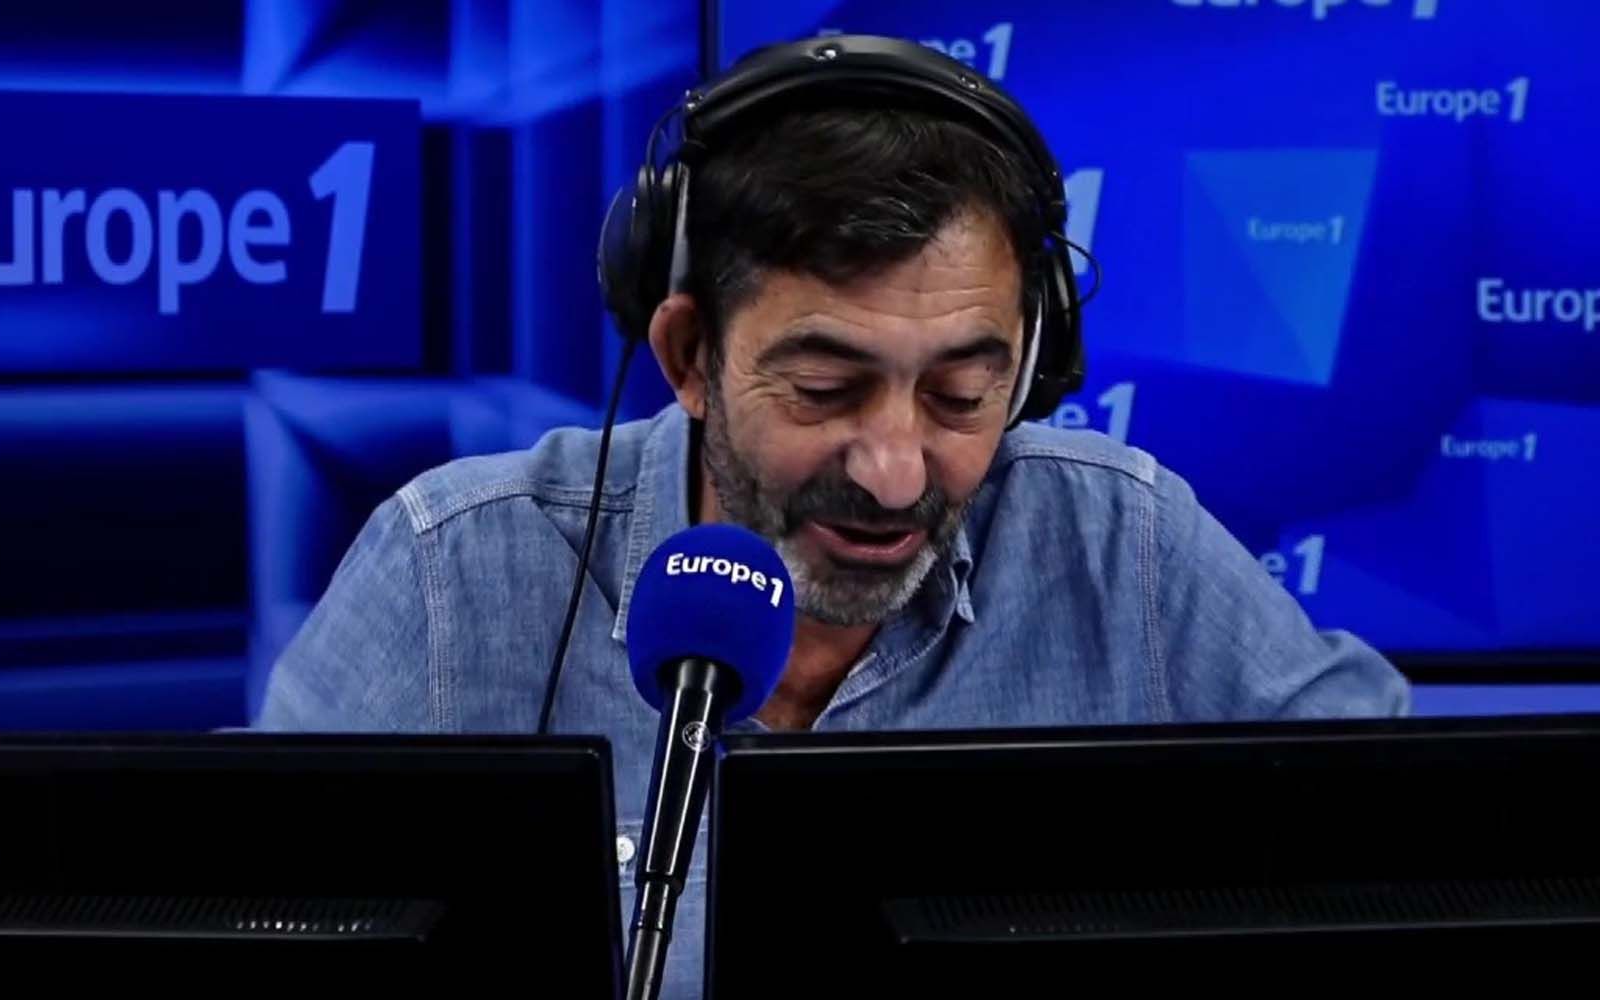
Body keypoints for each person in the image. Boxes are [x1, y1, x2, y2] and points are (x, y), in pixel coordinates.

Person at [259, 35, 1408, 999]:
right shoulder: (450, 576)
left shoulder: (1126, 549)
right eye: (822, 390)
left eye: (961, 395)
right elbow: (252, 926)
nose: (896, 473)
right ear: (689, 356)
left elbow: (1425, 862)